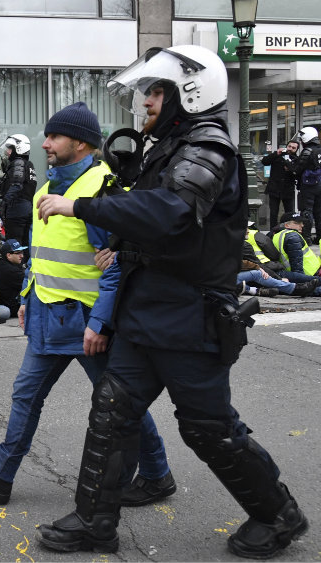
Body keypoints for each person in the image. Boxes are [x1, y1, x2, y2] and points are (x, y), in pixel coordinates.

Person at [32, 46, 307, 559]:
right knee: (113, 410)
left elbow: (170, 213)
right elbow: (156, 226)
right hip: (147, 310)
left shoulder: (208, 148)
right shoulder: (168, 147)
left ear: (191, 91)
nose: (147, 102)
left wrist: (82, 205)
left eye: (156, 91)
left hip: (190, 314)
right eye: (148, 91)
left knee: (209, 429)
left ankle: (278, 514)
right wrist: (118, 244)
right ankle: (94, 523)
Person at [0, 101, 173, 515]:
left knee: (119, 403)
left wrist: (101, 323)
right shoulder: (48, 186)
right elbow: (43, 253)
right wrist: (25, 299)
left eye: (54, 136)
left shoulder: (100, 190)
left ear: (81, 143)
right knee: (26, 395)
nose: (45, 142)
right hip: (47, 316)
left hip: (87, 323)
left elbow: (115, 266)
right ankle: (1, 475)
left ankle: (157, 473)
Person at [0, 134, 37, 246]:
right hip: (26, 209)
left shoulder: (18, 163)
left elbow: (16, 185)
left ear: (19, 148)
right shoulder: (29, 165)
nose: (7, 152)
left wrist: (3, 204)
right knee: (25, 244)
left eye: (10, 148)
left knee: (14, 245)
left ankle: (16, 264)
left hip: (17, 210)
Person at [261, 140, 300, 229]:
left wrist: (289, 167)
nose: (290, 149)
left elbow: (296, 173)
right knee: (273, 213)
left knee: (289, 212)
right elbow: (265, 161)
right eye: (289, 146)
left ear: (296, 150)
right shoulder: (278, 156)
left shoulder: (296, 160)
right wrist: (276, 153)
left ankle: (289, 230)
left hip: (287, 190)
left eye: (293, 148)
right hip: (274, 189)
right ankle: (273, 231)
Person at [272, 211, 321, 280]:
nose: (302, 225)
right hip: (310, 275)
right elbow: (297, 266)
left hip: (304, 275)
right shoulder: (292, 236)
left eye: (301, 222)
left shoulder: (276, 235)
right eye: (297, 223)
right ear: (286, 225)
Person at [294, 126, 321, 242]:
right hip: (319, 184)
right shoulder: (319, 149)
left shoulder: (308, 151)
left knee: (307, 211)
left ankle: (307, 237)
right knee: (319, 212)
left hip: (308, 186)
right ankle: (319, 237)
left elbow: (298, 169)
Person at [0, 239, 27, 314]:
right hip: (9, 307)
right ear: (8, 255)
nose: (22, 256)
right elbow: (29, 284)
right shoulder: (10, 270)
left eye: (22, 252)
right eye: (18, 253)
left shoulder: (4, 264)